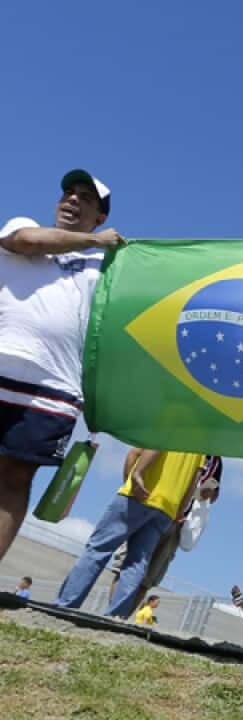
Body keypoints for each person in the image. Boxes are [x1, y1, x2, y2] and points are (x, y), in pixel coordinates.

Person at [0, 170, 122, 563]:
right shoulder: (24, 226)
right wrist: (93, 240)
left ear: (100, 215)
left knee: (16, 480)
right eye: (68, 193)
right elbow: (27, 243)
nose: (71, 200)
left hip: (54, 389)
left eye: (85, 198)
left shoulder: (109, 264)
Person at [54, 450, 206, 619]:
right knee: (137, 562)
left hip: (139, 493)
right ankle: (116, 616)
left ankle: (65, 605)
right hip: (167, 508)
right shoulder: (200, 444)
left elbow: (139, 452)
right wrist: (180, 509)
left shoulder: (167, 423)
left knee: (98, 549)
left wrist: (133, 477)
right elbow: (195, 479)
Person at [113, 455, 223, 615]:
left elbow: (214, 494)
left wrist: (208, 493)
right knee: (126, 566)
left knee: (149, 578)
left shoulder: (216, 461)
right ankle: (110, 614)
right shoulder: (185, 439)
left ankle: (120, 619)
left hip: (177, 524)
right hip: (153, 507)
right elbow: (135, 454)